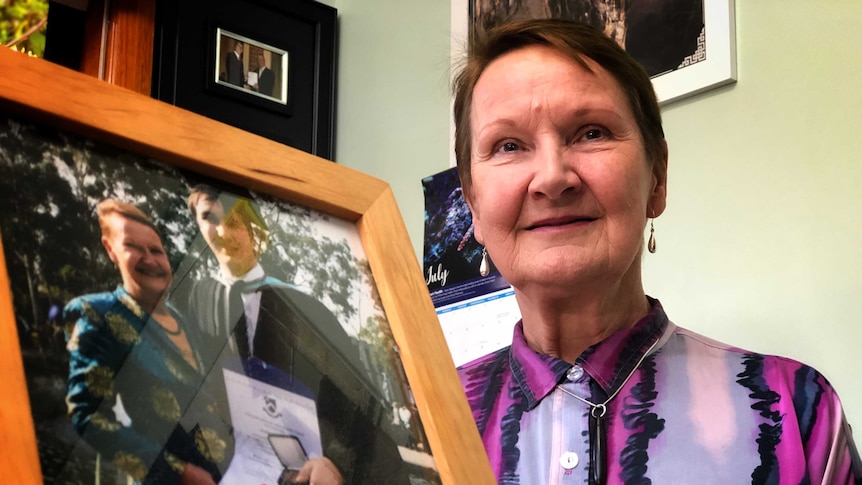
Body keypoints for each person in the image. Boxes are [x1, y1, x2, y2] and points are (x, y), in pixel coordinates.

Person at [452, 19, 862, 484]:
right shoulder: (416, 422)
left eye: (591, 133)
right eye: (509, 145)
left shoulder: (796, 411)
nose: (551, 177)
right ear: (474, 207)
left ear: (658, 178)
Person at [171, 184, 401, 485]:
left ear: (254, 226)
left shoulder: (307, 311)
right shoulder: (196, 304)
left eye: (235, 216)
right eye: (210, 217)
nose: (225, 229)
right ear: (199, 228)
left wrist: (334, 465)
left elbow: (350, 411)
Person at [64, 200, 220, 484]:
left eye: (156, 250)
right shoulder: (97, 315)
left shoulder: (184, 320)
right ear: (111, 250)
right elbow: (87, 415)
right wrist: (178, 473)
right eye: (133, 247)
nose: (149, 259)